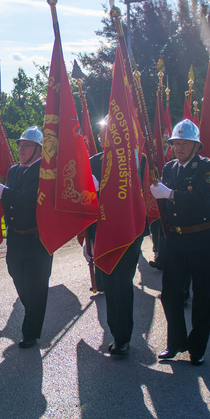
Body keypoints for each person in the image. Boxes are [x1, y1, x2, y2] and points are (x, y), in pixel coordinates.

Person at [151, 119, 210, 366]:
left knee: (202, 296)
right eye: (175, 143)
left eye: (184, 143)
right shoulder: (169, 168)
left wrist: (169, 194)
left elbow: (201, 198)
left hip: (203, 239)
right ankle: (176, 342)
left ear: (195, 145)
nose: (178, 147)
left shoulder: (207, 167)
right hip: (176, 239)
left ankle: (197, 347)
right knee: (170, 294)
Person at [0, 126, 51, 349]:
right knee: (17, 277)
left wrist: (5, 194)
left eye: (26, 146)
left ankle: (31, 332)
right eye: (20, 145)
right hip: (16, 238)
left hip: (37, 239)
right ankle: (33, 311)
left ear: (39, 149)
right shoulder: (14, 170)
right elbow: (12, 200)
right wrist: (0, 196)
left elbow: (30, 199)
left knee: (35, 286)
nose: (21, 149)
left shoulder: (46, 172)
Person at [90, 145, 146, 355]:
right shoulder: (93, 162)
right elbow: (86, 204)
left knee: (122, 281)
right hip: (104, 231)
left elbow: (138, 191)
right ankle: (115, 331)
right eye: (103, 134)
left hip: (129, 230)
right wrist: (89, 239)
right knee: (109, 282)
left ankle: (122, 338)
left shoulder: (136, 158)